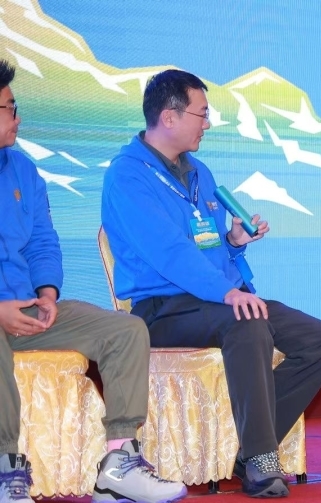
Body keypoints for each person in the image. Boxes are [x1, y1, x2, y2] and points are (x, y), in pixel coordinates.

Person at [101, 69, 321, 498]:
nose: (208, 124)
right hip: (163, 308)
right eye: (202, 114)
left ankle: (248, 447)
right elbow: (170, 254)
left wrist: (233, 243)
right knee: (246, 321)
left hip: (215, 299)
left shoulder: (199, 173)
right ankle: (262, 458)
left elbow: (206, 246)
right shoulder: (128, 176)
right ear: (170, 117)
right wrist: (227, 292)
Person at [0, 60, 187, 503]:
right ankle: (6, 469)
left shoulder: (23, 171)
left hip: (25, 307)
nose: (18, 117)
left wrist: (47, 293)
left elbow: (42, 242)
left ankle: (118, 465)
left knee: (126, 330)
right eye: (10, 108)